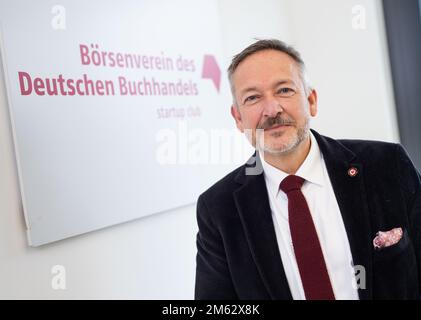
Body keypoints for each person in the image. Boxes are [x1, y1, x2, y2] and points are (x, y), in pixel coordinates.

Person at [194, 39, 421, 300]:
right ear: (237, 118)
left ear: (311, 100)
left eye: (284, 90)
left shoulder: (386, 165)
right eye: (253, 97)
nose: (272, 109)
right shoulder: (218, 209)